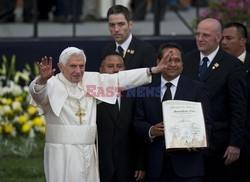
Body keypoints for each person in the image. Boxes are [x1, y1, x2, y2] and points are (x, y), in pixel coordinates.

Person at [29, 46, 171, 182]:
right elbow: (38, 96)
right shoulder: (51, 84)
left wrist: (152, 70)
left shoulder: (90, 81)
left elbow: (120, 79)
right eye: (73, 66)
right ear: (61, 67)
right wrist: (42, 80)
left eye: (81, 66)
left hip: (88, 151)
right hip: (62, 152)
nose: (78, 70)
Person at [134, 43, 212, 181]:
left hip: (188, 167)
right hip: (155, 167)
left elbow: (207, 124)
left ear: (182, 64)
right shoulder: (146, 89)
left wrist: (197, 143)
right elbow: (137, 122)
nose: (172, 64)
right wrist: (151, 130)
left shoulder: (197, 88)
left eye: (177, 60)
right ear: (158, 62)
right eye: (168, 59)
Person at [182, 18, 247, 182]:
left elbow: (238, 107)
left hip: (220, 144)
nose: (199, 39)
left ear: (218, 38)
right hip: (188, 142)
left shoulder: (232, 65)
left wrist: (235, 143)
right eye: (197, 34)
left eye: (205, 35)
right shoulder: (186, 60)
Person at [97, 51, 146, 182]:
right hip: (98, 167)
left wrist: (140, 163)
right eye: (110, 66)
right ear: (101, 70)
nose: (115, 70)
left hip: (128, 167)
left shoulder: (135, 95)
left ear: (125, 70)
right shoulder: (91, 95)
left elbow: (139, 130)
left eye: (119, 66)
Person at [221, 22, 250, 182]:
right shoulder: (218, 65)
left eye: (229, 38)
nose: (223, 42)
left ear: (242, 41)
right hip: (227, 142)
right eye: (222, 38)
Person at [102, 4, 157, 70]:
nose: (116, 29)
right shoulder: (106, 50)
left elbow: (151, 79)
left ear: (130, 25)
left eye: (121, 24)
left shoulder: (146, 51)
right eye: (112, 25)